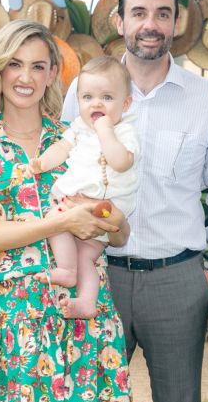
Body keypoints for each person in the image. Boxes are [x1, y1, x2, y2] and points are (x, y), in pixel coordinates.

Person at [61, 0, 208, 402]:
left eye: (162, 14)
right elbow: (65, 169)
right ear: (119, 21)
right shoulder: (83, 92)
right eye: (138, 13)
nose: (150, 24)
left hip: (177, 281)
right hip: (98, 273)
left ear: (177, 23)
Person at [0, 19, 134, 402]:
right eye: (14, 64)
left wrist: (114, 221)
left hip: (84, 312)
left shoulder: (77, 138)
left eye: (38, 66)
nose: (26, 77)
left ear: (53, 73)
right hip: (16, 316)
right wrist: (63, 223)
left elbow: (118, 231)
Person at [28, 56, 139, 320]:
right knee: (85, 257)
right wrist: (43, 162)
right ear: (78, 102)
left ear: (125, 104)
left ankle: (67, 271)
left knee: (55, 218)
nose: (96, 104)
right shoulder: (78, 126)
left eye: (107, 97)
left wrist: (105, 131)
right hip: (78, 203)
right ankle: (87, 300)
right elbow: (62, 148)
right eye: (87, 97)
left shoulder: (124, 132)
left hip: (105, 208)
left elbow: (121, 162)